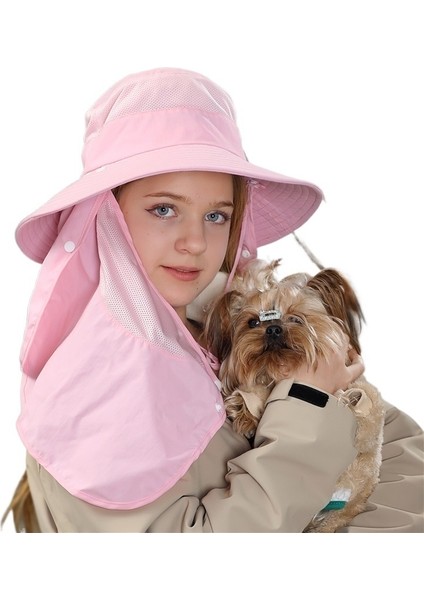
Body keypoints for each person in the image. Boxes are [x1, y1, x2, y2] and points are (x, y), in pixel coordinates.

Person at [4, 67, 423, 533]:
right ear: (108, 217)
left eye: (217, 215)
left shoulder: (222, 333)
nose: (196, 243)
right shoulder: (98, 387)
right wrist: (307, 401)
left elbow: (395, 447)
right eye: (164, 209)